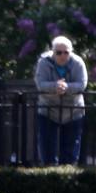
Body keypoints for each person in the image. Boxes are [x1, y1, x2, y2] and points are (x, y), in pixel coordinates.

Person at [34, 35, 87, 166]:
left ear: (71, 52)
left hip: (73, 110)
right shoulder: (44, 62)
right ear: (53, 52)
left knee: (70, 152)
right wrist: (55, 86)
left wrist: (66, 87)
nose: (62, 55)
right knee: (47, 151)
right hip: (48, 109)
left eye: (66, 52)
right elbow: (40, 84)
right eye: (58, 52)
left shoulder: (78, 63)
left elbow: (82, 84)